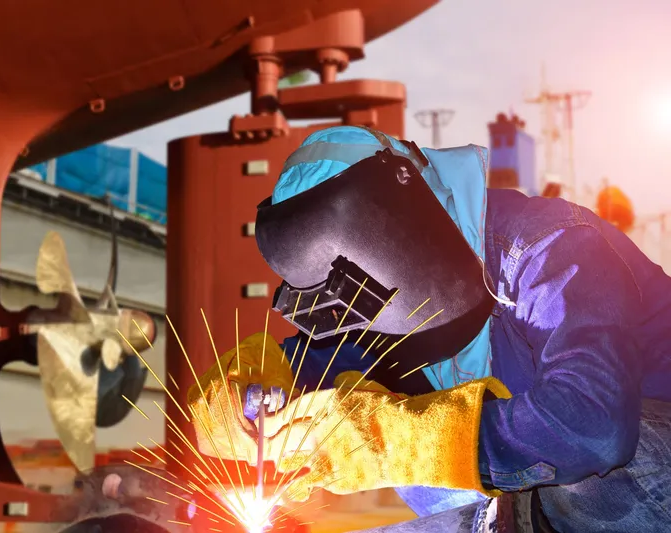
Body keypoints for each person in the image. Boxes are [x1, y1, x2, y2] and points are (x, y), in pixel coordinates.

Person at [187, 126, 671, 533]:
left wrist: (390, 440)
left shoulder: (553, 247)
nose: (364, 323)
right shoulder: (370, 311)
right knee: (389, 434)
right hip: (522, 503)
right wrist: (241, 399)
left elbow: (594, 426)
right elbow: (296, 369)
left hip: (640, 463)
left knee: (425, 441)